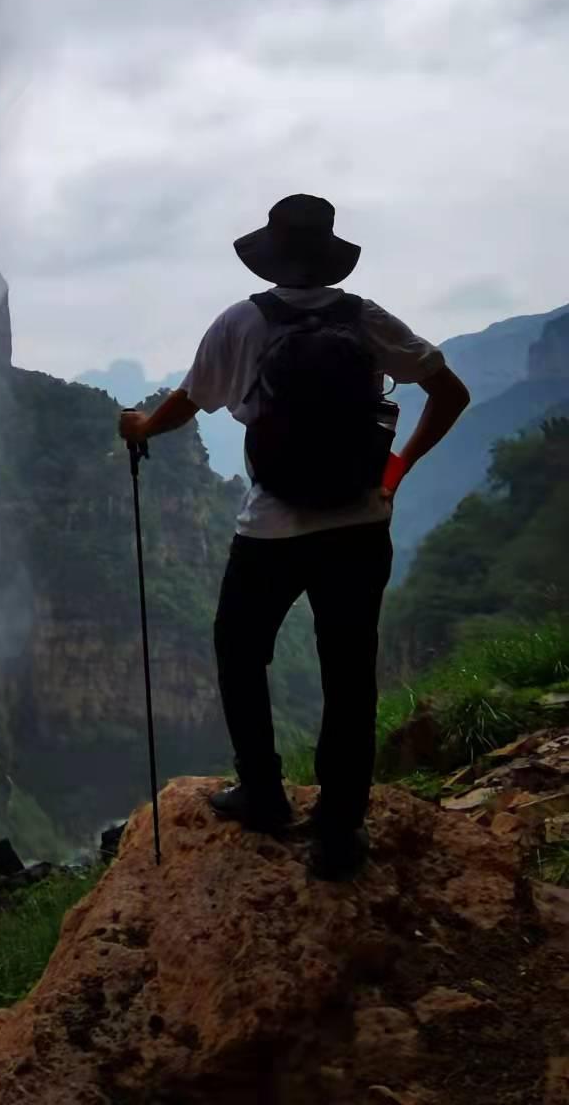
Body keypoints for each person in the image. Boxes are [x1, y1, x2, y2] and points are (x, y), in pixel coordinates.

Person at [117, 194, 470, 879]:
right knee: (349, 674)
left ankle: (263, 793)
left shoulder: (242, 322)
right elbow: (449, 392)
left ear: (273, 256)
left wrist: (135, 428)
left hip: (272, 530)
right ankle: (339, 831)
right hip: (360, 528)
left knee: (239, 650)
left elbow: (183, 405)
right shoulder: (366, 318)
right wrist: (395, 470)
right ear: (329, 257)